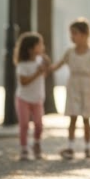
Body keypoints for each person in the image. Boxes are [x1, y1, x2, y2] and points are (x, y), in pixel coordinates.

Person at [51, 18, 90, 160]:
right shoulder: (69, 52)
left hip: (87, 86)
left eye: (75, 33)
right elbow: (57, 65)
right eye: (71, 33)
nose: (72, 37)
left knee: (86, 119)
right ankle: (70, 147)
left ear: (84, 35)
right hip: (73, 86)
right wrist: (46, 68)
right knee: (72, 117)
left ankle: (88, 148)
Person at [14, 32, 53, 161]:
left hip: (38, 98)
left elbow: (45, 72)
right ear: (31, 48)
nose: (43, 47)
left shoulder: (40, 60)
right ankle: (24, 148)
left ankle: (37, 143)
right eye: (39, 45)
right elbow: (23, 82)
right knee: (24, 124)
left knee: (39, 124)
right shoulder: (22, 65)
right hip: (23, 98)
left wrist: (46, 65)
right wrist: (38, 73)